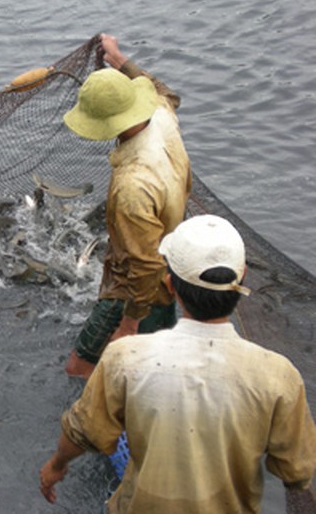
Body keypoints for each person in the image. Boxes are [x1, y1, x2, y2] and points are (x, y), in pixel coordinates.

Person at [39, 214, 316, 512]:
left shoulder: (125, 358)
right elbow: (298, 477)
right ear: (243, 276)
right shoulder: (279, 375)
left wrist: (56, 465)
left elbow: (84, 430)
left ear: (170, 285)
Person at [63, 33, 192, 378]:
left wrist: (128, 326)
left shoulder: (132, 186)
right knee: (154, 362)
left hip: (136, 288)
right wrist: (119, 59)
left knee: (79, 369)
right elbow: (163, 91)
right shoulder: (162, 113)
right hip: (171, 267)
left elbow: (145, 267)